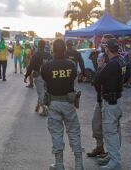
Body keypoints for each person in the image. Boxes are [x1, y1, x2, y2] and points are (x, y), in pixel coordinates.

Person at [41, 39, 84, 170]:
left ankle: (59, 165)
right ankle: (79, 164)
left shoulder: (47, 66)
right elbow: (73, 78)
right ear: (65, 49)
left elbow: (45, 79)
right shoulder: (71, 65)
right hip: (68, 103)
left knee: (56, 134)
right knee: (74, 132)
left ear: (53, 50)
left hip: (54, 103)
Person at [98, 38, 126, 170]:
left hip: (111, 101)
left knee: (110, 131)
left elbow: (98, 80)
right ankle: (112, 154)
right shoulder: (121, 60)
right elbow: (127, 78)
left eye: (105, 47)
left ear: (108, 49)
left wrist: (100, 66)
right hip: (118, 98)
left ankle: (115, 160)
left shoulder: (111, 64)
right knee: (115, 129)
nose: (104, 49)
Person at [87, 34, 114, 159]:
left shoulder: (113, 60)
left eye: (104, 43)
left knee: (110, 128)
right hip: (100, 97)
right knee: (96, 123)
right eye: (101, 42)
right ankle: (100, 147)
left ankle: (112, 154)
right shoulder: (100, 56)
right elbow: (97, 77)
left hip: (110, 99)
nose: (102, 44)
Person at [24, 40, 52, 116]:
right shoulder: (49, 55)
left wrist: (26, 75)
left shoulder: (36, 55)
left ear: (39, 46)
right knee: (44, 92)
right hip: (48, 77)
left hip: (39, 76)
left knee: (41, 93)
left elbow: (31, 66)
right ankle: (38, 106)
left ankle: (45, 109)